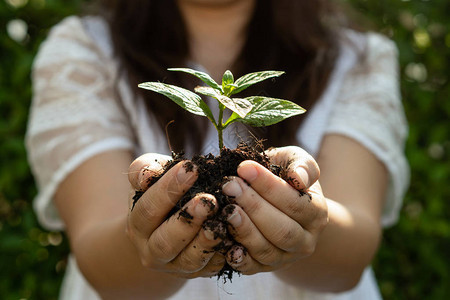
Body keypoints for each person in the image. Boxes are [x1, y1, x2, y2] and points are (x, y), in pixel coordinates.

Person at [26, 0, 409, 299]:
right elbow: (102, 262)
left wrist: (303, 218)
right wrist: (149, 227)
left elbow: (352, 254)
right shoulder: (85, 50)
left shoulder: (356, 57)